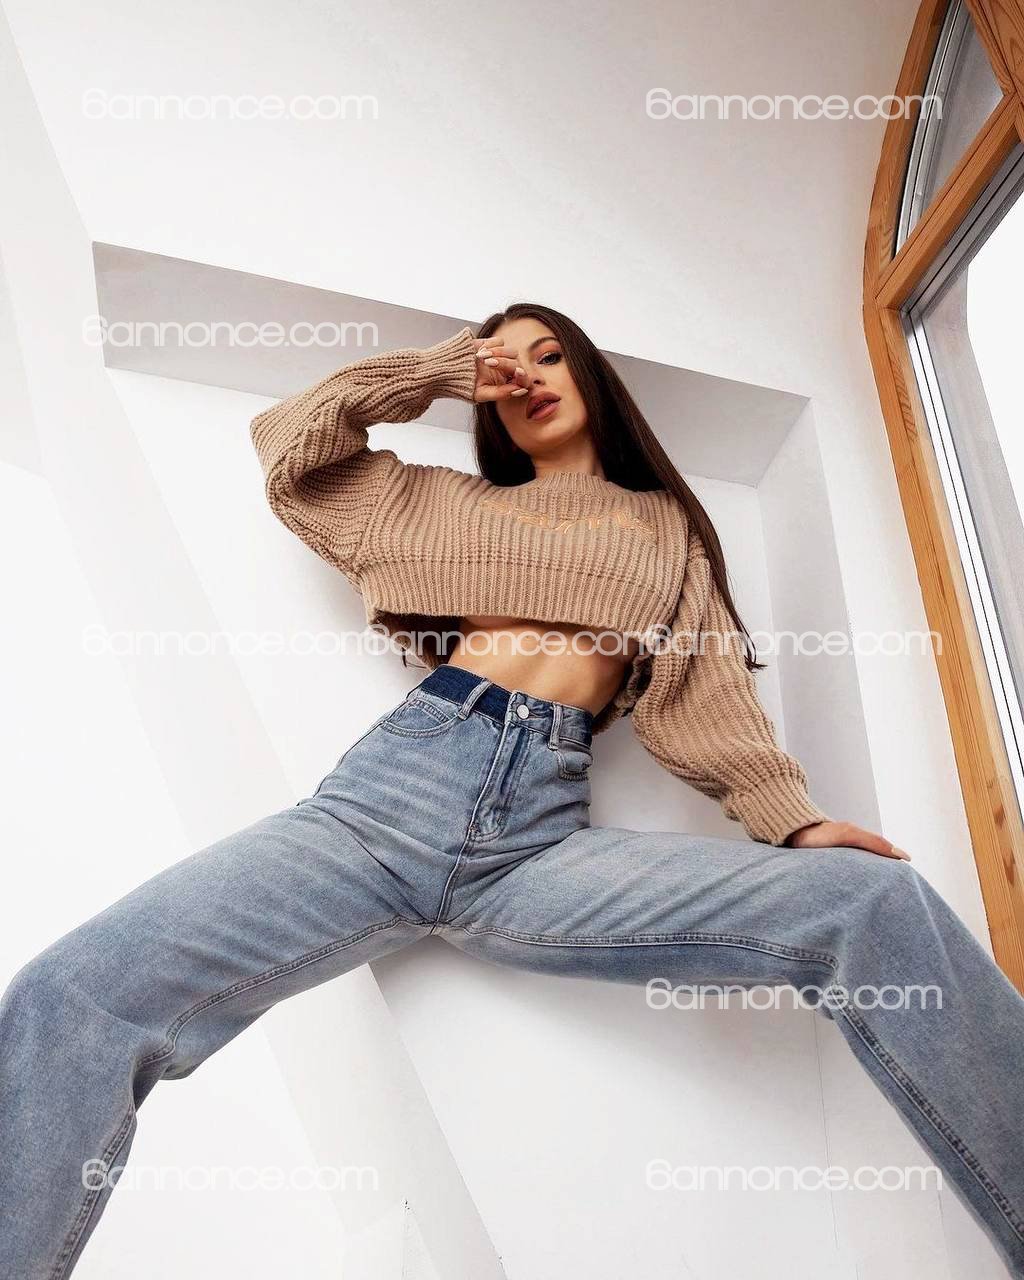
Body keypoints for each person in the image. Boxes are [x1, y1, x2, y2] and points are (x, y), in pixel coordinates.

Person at [2, 302, 1022, 1279]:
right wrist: (439, 369)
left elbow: (705, 688)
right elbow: (292, 446)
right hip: (383, 810)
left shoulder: (660, 527)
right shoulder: (440, 505)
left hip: (537, 845)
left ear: (590, 371)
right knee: (72, 994)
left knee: (872, 899)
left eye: (548, 353)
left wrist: (791, 821)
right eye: (504, 362)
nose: (527, 374)